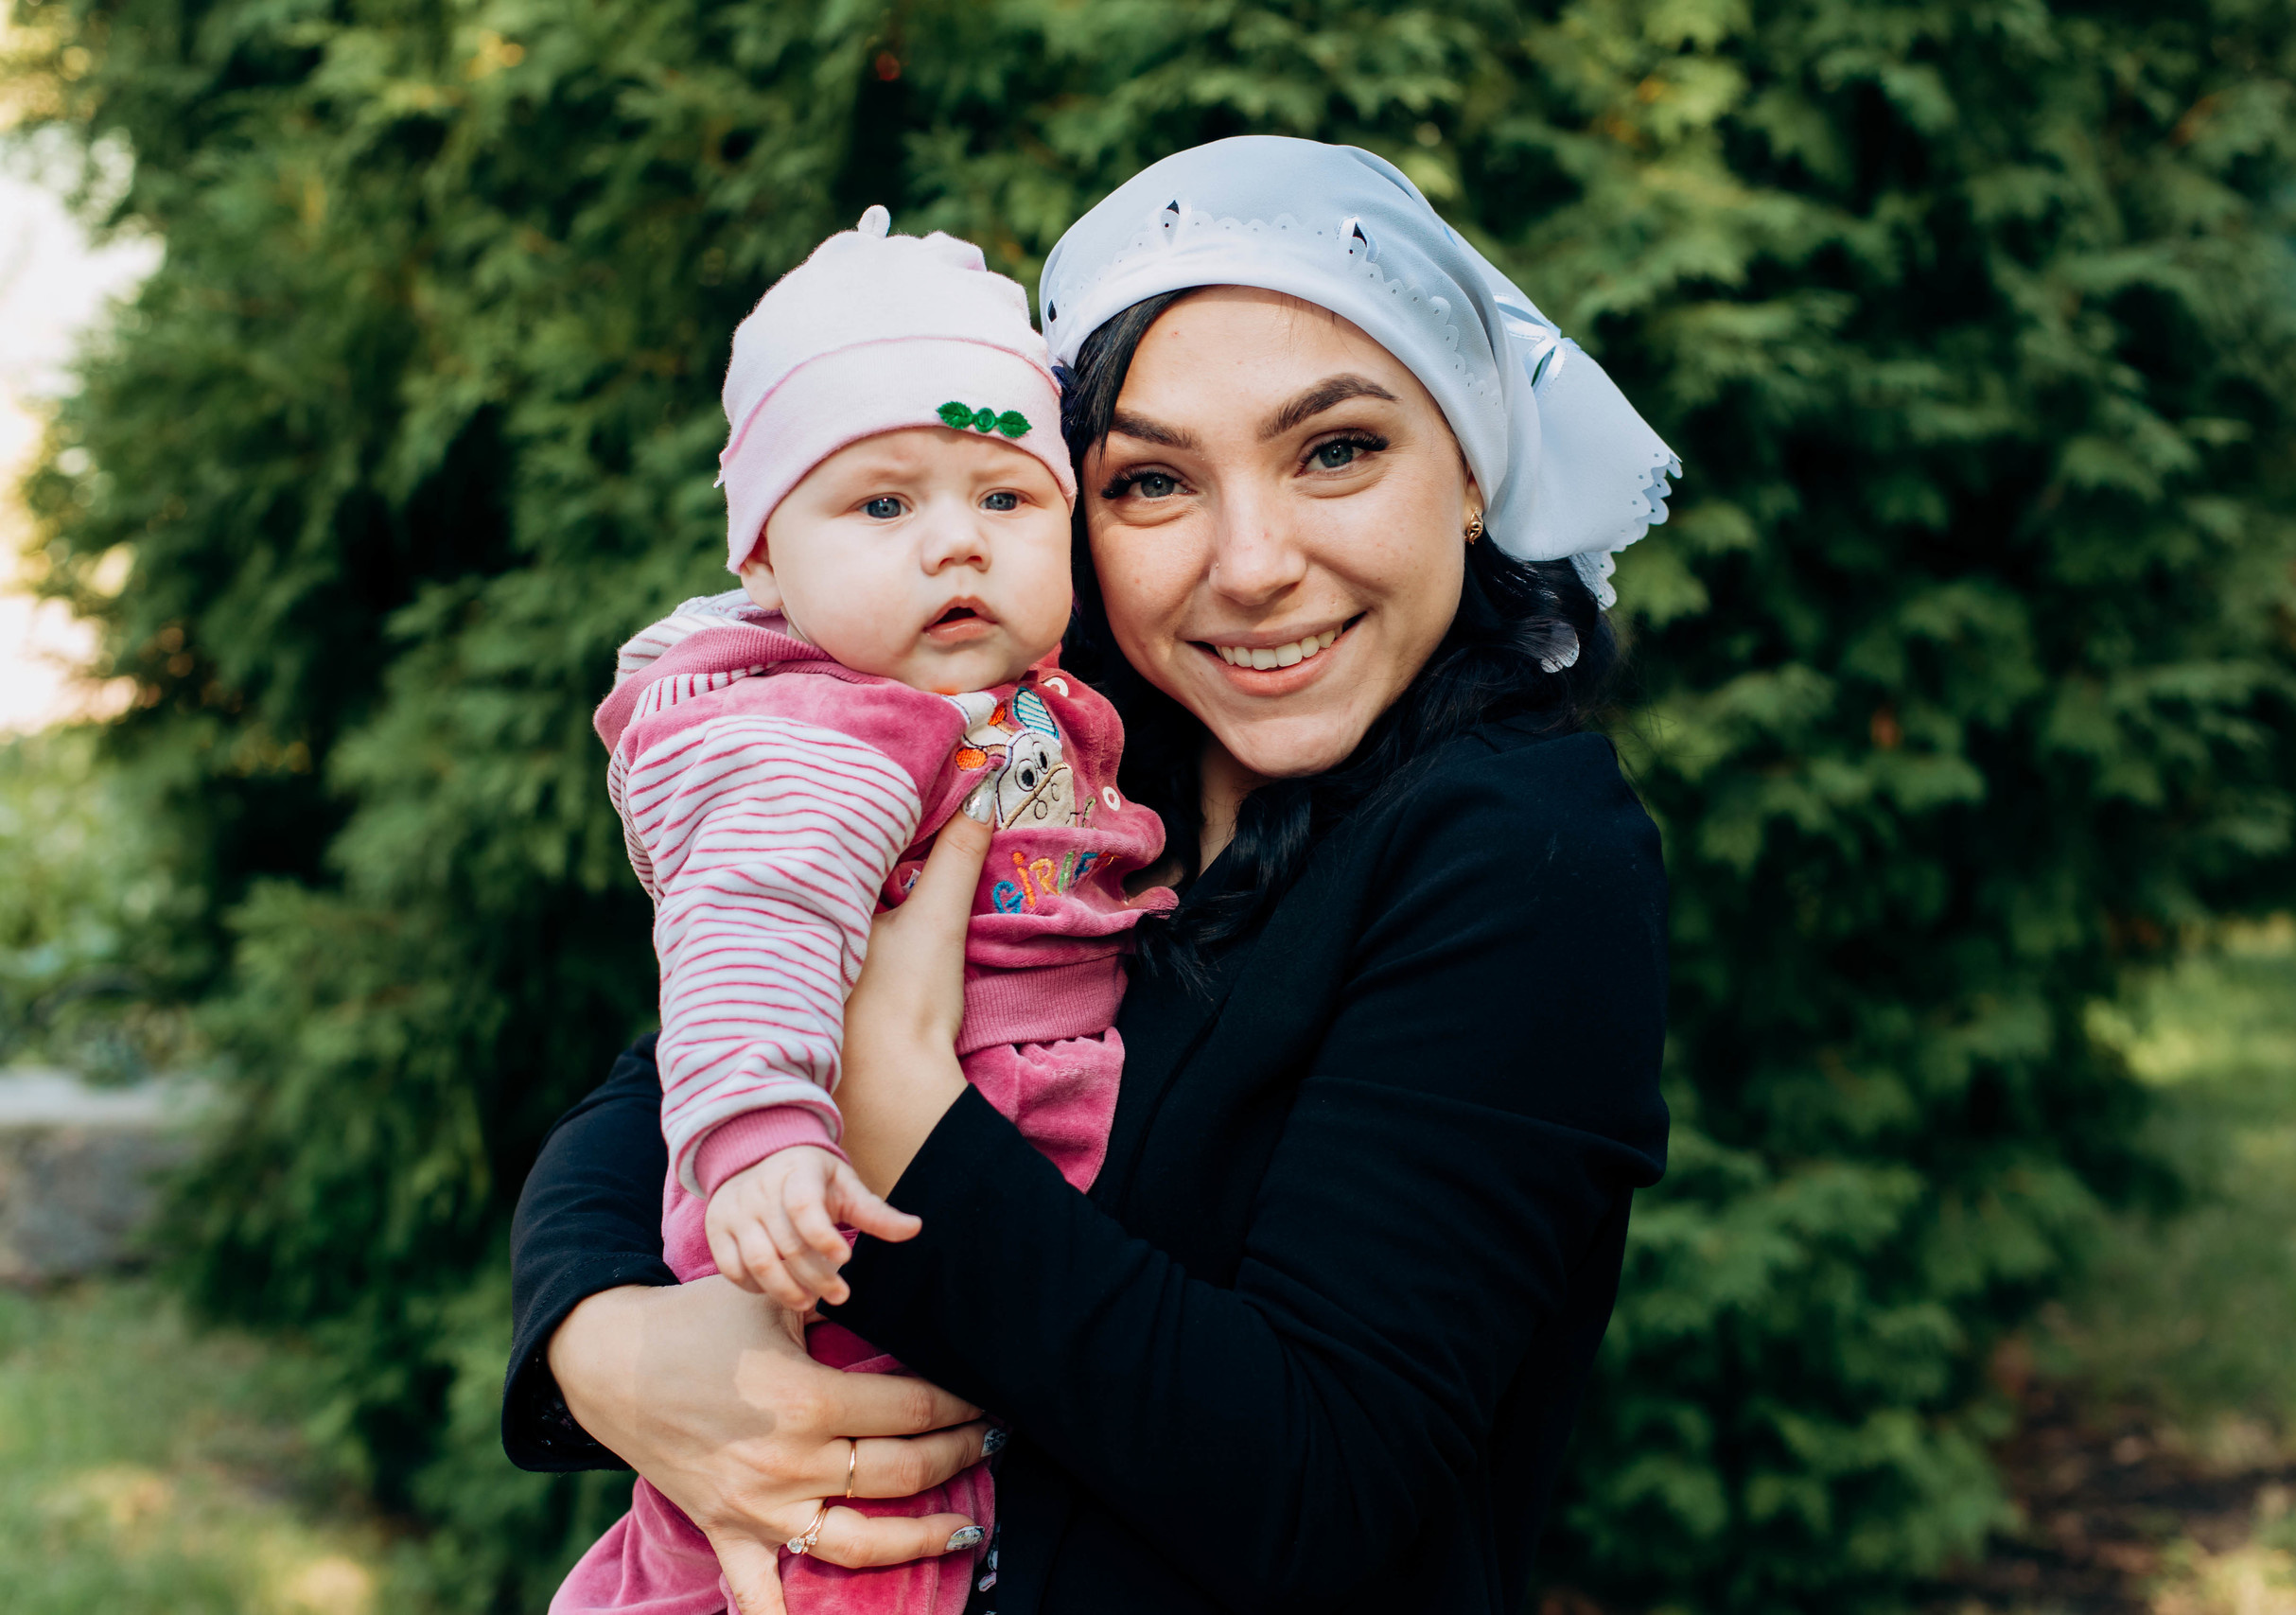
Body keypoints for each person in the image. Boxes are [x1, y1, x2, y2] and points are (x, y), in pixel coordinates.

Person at [508, 135, 1679, 1615]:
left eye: (1336, 450)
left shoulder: (1528, 856)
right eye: (1150, 482)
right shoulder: (1067, 765)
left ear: (1468, 472)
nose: (1252, 562)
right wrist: (604, 1346)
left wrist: (899, 1113)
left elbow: (1318, 1487)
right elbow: (666, 1067)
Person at [556, 206, 1174, 1615]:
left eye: (1005, 500)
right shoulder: (813, 733)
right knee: (853, 1536)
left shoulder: (1010, 707)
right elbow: (752, 925)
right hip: (835, 1227)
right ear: (763, 561)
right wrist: (765, 1141)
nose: (955, 547)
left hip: (967, 1213)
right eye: (883, 505)